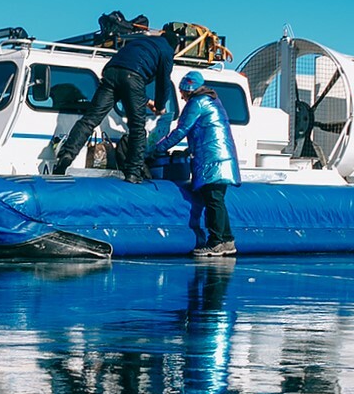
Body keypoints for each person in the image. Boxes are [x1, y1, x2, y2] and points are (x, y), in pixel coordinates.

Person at [52, 29, 174, 183]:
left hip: (110, 71)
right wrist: (160, 105)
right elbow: (163, 83)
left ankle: (66, 156)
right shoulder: (167, 50)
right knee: (137, 128)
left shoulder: (141, 42)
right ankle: (133, 172)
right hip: (133, 75)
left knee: (90, 120)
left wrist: (148, 102)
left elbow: (127, 82)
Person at [152, 70, 240, 256]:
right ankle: (227, 240)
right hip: (220, 156)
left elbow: (181, 130)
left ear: (186, 88)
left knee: (213, 200)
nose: (182, 97)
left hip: (212, 158)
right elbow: (204, 130)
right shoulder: (212, 100)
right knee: (217, 199)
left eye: (182, 92)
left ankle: (216, 242)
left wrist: (158, 148)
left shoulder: (197, 103)